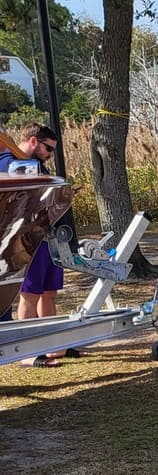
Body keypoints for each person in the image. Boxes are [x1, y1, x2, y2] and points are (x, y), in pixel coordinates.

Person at [0, 124, 73, 367]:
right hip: (23, 239)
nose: (50, 154)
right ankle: (27, 353)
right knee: (29, 294)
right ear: (33, 141)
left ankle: (50, 346)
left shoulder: (36, 165)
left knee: (48, 293)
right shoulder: (8, 163)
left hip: (45, 234)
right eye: (48, 148)